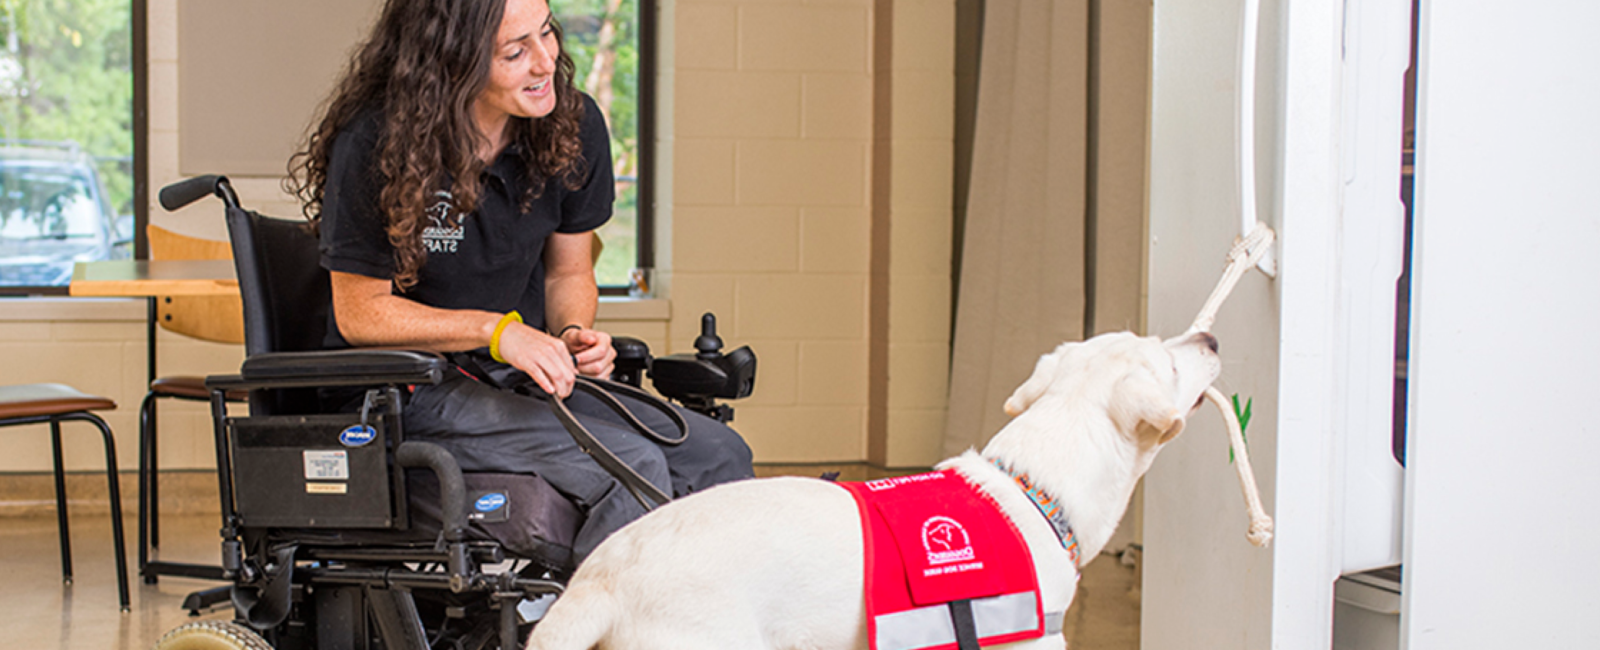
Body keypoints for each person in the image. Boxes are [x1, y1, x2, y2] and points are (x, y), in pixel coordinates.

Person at [286, 0, 753, 562]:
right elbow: (361, 313)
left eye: (547, 33)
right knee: (634, 467)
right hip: (406, 387)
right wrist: (499, 332)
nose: (545, 62)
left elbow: (569, 271)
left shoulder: (571, 127)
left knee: (719, 454)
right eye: (515, 51)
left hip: (512, 379)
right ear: (452, 62)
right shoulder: (377, 143)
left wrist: (574, 333)